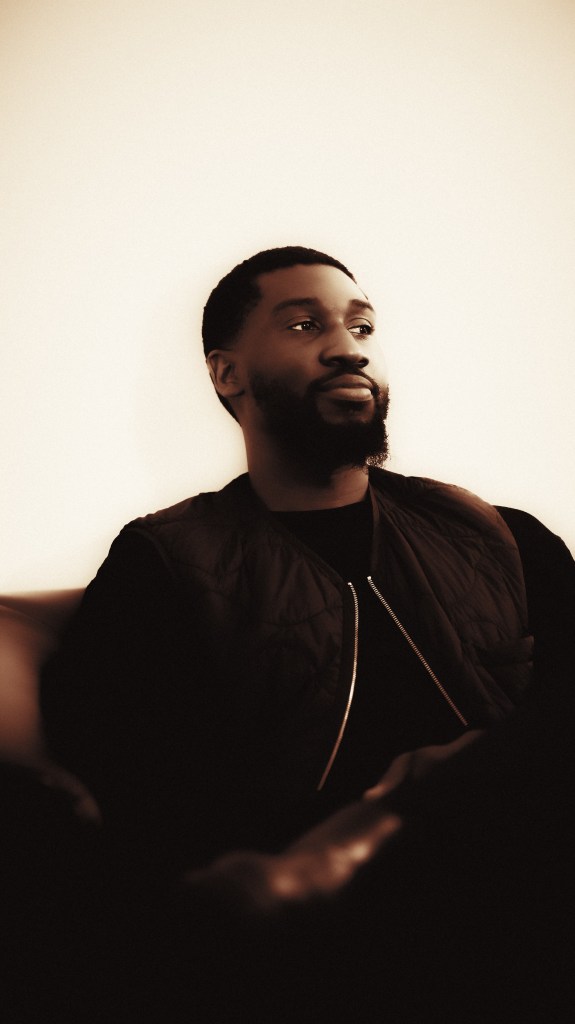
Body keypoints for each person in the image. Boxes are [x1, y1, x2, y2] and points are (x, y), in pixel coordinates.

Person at [38, 246, 574, 1020]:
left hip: (524, 881)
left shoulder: (496, 536)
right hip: (331, 937)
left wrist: (454, 783)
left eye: (362, 326)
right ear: (227, 374)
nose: (346, 347)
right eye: (303, 324)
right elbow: (144, 802)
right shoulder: (167, 562)